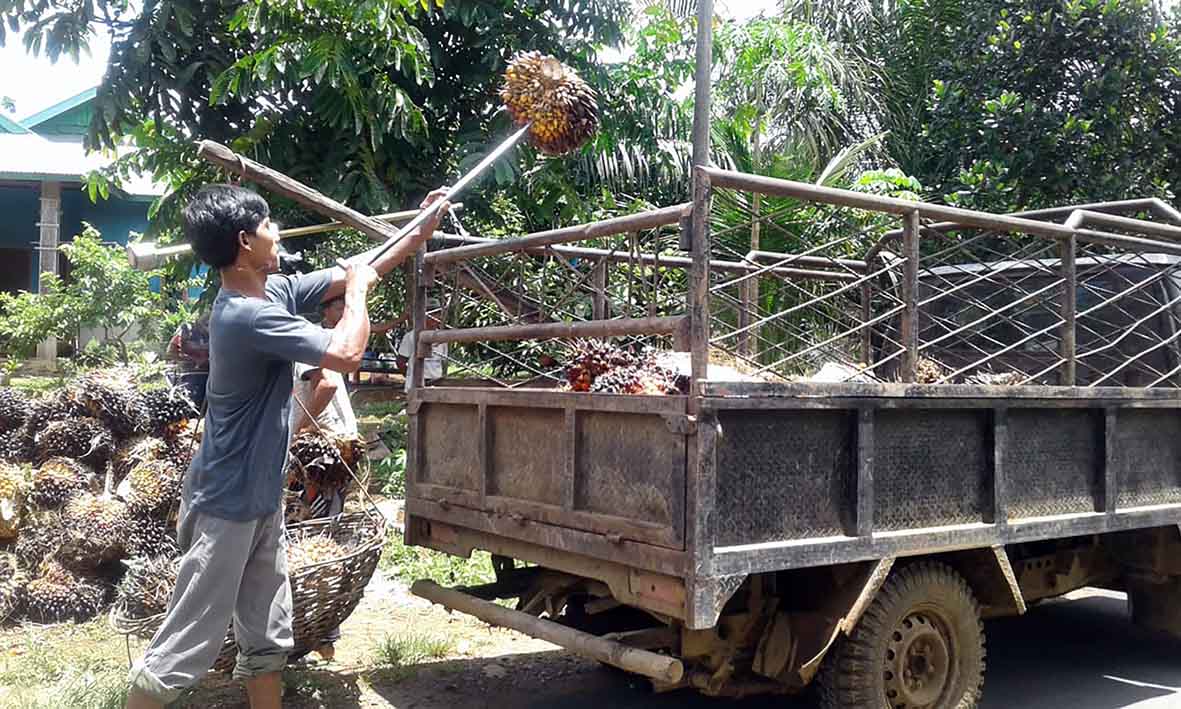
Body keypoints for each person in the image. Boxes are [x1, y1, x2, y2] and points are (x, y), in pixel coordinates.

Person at [125, 184, 449, 709]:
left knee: (267, 634)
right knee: (187, 643)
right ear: (245, 241)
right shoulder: (245, 317)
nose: (277, 231)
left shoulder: (269, 293)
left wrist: (419, 227)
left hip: (260, 499)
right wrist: (359, 292)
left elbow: (363, 264)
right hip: (225, 504)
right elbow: (345, 353)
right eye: (269, 224)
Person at [394, 298, 449, 387]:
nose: (435, 318)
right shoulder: (410, 337)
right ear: (423, 315)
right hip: (417, 383)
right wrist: (411, 377)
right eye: (431, 314)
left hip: (436, 382)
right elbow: (400, 362)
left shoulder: (442, 338)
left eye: (437, 314)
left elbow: (442, 362)